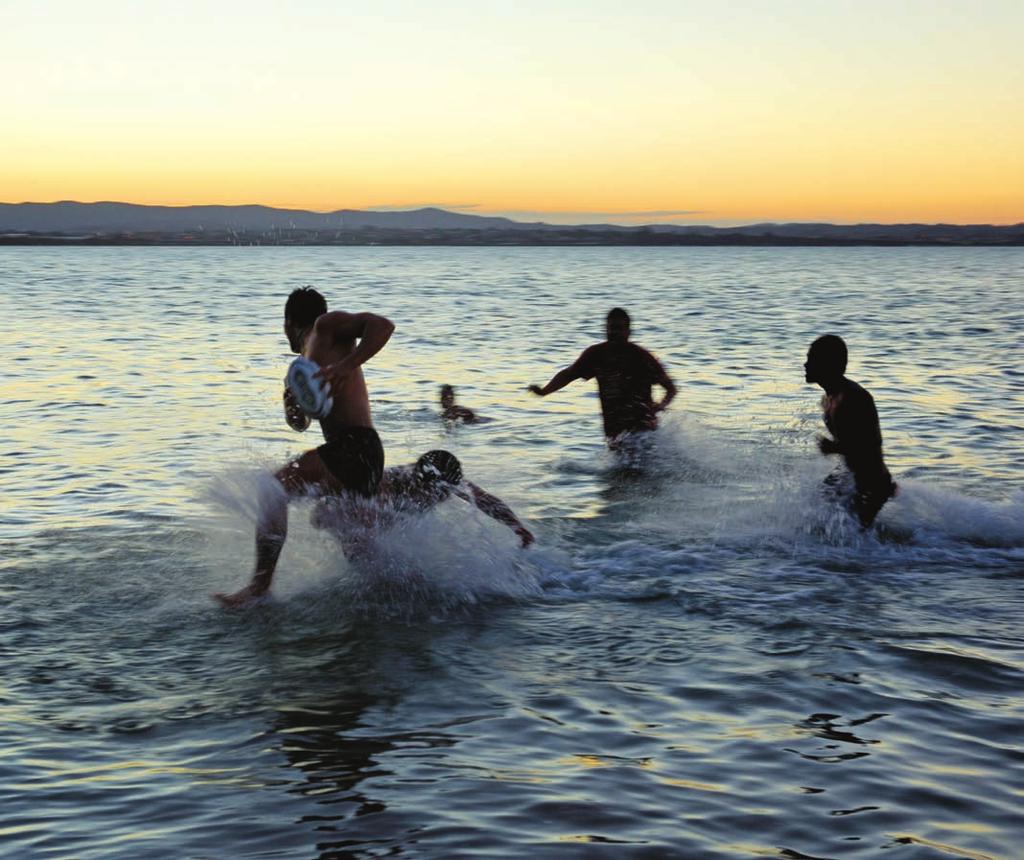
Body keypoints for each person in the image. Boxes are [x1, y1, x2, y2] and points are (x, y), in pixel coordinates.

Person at [215, 287, 395, 606]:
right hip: (355, 456)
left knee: (274, 489)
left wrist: (347, 365)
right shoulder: (300, 369)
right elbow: (301, 425)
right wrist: (291, 406)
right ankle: (415, 584)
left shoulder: (326, 326)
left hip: (356, 448)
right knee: (361, 556)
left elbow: (382, 326)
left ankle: (259, 588)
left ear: (288, 322)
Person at [312, 450, 534, 551]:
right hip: (332, 511)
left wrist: (517, 527)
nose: (440, 497)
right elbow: (362, 534)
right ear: (419, 482)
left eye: (444, 492)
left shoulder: (444, 480)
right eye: (436, 493)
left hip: (365, 516)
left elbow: (484, 500)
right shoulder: (388, 485)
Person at [528, 308, 676, 446]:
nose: (614, 333)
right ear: (605, 329)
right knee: (619, 466)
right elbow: (568, 375)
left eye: (619, 328)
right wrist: (544, 391)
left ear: (628, 332)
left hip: (642, 429)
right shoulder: (596, 354)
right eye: (611, 328)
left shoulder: (641, 357)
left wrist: (660, 406)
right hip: (613, 430)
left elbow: (670, 389)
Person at [804, 334, 897, 528]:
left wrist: (834, 447)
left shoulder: (853, 398)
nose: (805, 365)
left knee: (852, 546)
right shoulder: (829, 398)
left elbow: (867, 445)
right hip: (849, 477)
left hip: (871, 484)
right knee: (816, 521)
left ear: (827, 364)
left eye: (811, 359)